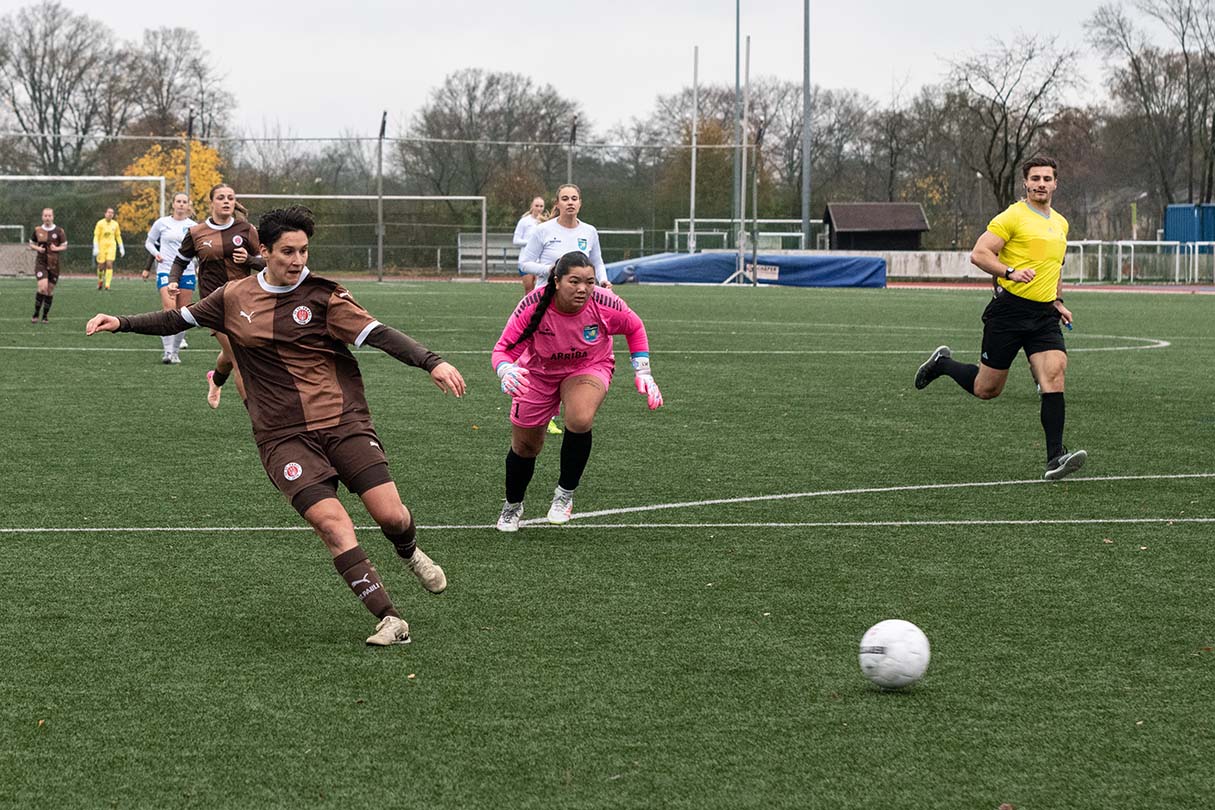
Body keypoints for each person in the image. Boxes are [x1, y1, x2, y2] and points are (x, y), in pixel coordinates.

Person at [86, 206, 467, 646]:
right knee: (332, 524)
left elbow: (380, 334)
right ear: (264, 251)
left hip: (342, 422)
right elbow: (178, 318)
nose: (298, 260)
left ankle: (409, 552)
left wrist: (431, 362)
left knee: (391, 515)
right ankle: (389, 618)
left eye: (304, 251)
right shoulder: (233, 296)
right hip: (282, 435)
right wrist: (121, 323)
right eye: (288, 251)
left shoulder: (324, 297)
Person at [914, 156, 1087, 481]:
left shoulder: (1061, 224)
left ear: (1055, 183)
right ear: (1025, 183)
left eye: (1047, 179)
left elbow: (1055, 268)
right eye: (1035, 178)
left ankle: (1055, 458)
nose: (1041, 184)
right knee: (987, 389)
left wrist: (1058, 301)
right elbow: (979, 254)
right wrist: (1010, 272)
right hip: (1009, 312)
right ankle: (942, 365)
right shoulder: (1012, 216)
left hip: (1044, 316)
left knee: (1054, 374)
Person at [492, 251, 663, 532]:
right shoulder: (532, 305)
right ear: (557, 281)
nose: (583, 288)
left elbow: (634, 327)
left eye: (589, 282)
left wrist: (643, 371)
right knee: (526, 446)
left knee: (580, 417)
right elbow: (502, 350)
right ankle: (513, 505)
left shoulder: (605, 302)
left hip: (588, 366)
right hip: (537, 372)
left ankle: (564, 494)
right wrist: (506, 370)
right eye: (574, 281)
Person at [167, 184, 263, 408]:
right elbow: (181, 260)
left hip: (245, 302)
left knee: (230, 354)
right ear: (211, 203)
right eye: (221, 197)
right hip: (214, 304)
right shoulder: (196, 232)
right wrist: (173, 280)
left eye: (230, 197)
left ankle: (216, 379)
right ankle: (258, 416)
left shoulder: (246, 230)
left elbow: (267, 264)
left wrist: (249, 260)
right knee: (240, 358)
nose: (226, 201)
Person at [519, 184, 611, 289]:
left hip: (579, 294)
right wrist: (549, 269)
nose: (570, 202)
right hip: (548, 293)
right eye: (565, 199)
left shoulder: (590, 231)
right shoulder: (542, 230)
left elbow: (597, 263)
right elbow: (524, 264)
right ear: (557, 203)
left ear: (580, 203)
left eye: (574, 199)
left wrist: (603, 280)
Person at [145, 193, 198, 364]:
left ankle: (175, 352)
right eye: (178, 201)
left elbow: (199, 248)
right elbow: (149, 242)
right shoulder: (162, 223)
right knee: (169, 310)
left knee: (183, 313)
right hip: (166, 271)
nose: (181, 204)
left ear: (188, 205)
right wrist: (156, 253)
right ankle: (167, 352)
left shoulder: (194, 226)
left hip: (187, 272)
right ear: (173, 204)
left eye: (184, 202)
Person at [28, 207, 67, 323]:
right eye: (45, 216)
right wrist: (38, 248)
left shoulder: (59, 231)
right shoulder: (38, 230)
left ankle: (45, 316)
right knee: (42, 288)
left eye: (49, 216)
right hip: (41, 263)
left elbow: (64, 245)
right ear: (42, 217)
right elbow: (31, 244)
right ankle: (36, 313)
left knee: (49, 291)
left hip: (54, 264)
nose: (47, 218)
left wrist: (56, 248)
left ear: (53, 217)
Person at [512, 195, 548, 294]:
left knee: (540, 289)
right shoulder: (524, 221)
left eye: (541, 206)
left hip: (541, 261)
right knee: (529, 289)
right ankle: (528, 305)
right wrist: (531, 242)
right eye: (537, 206)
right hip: (526, 259)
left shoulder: (545, 222)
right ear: (532, 206)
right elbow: (516, 240)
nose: (539, 208)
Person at [93, 207, 124, 290]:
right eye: (109, 212)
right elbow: (96, 236)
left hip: (111, 246)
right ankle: (100, 280)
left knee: (109, 264)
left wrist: (121, 247)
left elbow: (118, 236)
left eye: (112, 213)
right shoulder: (100, 223)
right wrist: (96, 247)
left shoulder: (115, 224)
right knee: (101, 266)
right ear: (105, 214)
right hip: (101, 247)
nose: (110, 214)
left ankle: (107, 285)